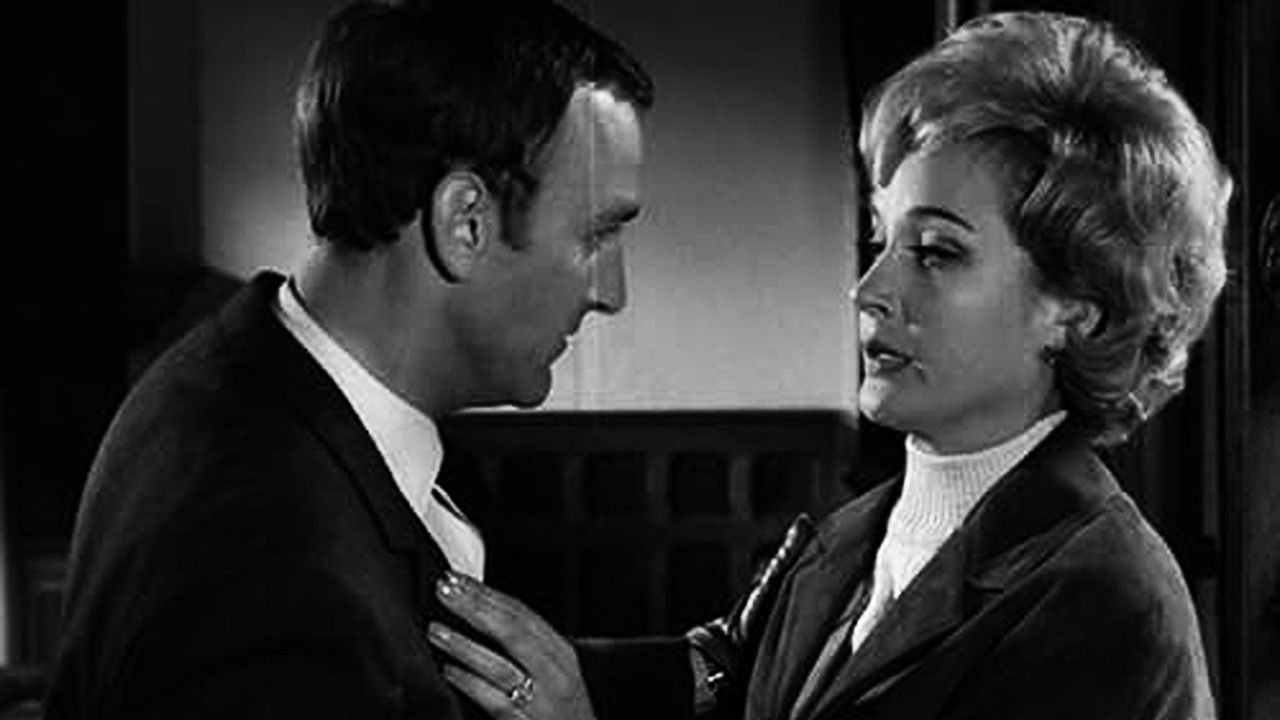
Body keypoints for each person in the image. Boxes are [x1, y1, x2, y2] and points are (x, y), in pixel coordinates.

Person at [426, 11, 1230, 720]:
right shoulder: (852, 537)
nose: (870, 289)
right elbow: (718, 671)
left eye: (936, 251)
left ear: (1076, 308)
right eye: (882, 238)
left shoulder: (1109, 602)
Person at [43, 0, 653, 717]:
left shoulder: (249, 379)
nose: (611, 293)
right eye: (596, 235)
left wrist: (712, 665)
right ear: (465, 222)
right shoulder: (272, 584)